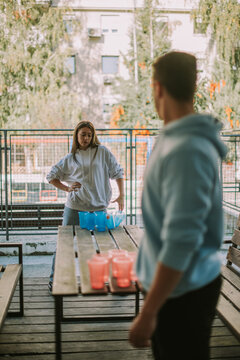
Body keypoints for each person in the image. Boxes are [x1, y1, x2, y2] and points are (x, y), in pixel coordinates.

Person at [129, 51, 227, 360]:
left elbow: (181, 242)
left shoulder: (186, 150)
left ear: (158, 88)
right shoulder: (176, 140)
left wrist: (147, 312)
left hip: (183, 294)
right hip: (177, 289)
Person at [46, 121, 124, 291]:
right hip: (74, 207)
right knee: (64, 244)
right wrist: (67, 188)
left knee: (106, 245)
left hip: (98, 208)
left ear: (93, 136)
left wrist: (121, 196)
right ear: (76, 136)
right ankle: (54, 280)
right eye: (83, 134)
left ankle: (113, 281)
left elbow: (118, 172)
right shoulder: (71, 157)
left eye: (89, 134)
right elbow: (51, 176)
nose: (86, 138)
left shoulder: (102, 152)